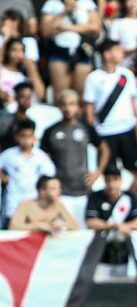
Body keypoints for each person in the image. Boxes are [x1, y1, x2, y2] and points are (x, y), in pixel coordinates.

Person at [40, 89, 110, 228]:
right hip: (61, 192)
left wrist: (98, 172)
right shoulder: (50, 131)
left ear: (78, 106)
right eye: (64, 104)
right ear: (59, 106)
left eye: (72, 104)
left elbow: (105, 149)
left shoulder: (86, 128)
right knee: (62, 231)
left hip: (83, 189)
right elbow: (42, 159)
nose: (68, 108)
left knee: (83, 231)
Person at [83, 40, 137, 178]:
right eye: (117, 50)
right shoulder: (93, 78)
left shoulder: (127, 75)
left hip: (127, 130)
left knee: (134, 170)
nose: (122, 53)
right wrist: (95, 133)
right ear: (107, 54)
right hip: (105, 132)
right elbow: (89, 109)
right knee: (108, 173)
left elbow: (134, 104)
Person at [39, 0, 101, 98]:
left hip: (82, 51)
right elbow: (46, 31)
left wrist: (66, 28)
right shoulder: (52, 4)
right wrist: (63, 13)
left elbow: (95, 28)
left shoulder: (87, 3)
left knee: (82, 94)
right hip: (59, 51)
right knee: (61, 95)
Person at [0, 121, 56, 225]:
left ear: (34, 137)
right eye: (23, 136)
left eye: (29, 136)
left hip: (34, 204)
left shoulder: (41, 156)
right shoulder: (9, 155)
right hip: (13, 203)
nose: (26, 140)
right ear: (17, 137)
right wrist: (3, 177)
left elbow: (50, 174)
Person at [85, 167, 137, 263]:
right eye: (108, 180)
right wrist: (113, 226)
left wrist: (126, 226)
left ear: (121, 181)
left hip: (126, 244)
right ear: (104, 181)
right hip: (101, 244)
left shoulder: (129, 197)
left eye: (115, 180)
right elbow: (90, 222)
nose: (111, 185)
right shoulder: (95, 197)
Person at [9, 175, 79, 232]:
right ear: (42, 191)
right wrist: (38, 226)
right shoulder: (26, 205)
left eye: (59, 188)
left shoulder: (58, 205)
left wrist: (63, 224)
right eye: (53, 189)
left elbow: (75, 226)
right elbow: (13, 226)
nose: (59, 191)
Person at [0, 37, 44, 104]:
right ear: (7, 51)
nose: (18, 54)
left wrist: (32, 69)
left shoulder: (25, 74)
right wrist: (5, 95)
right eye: (14, 50)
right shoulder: (1, 68)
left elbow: (40, 95)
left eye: (21, 50)